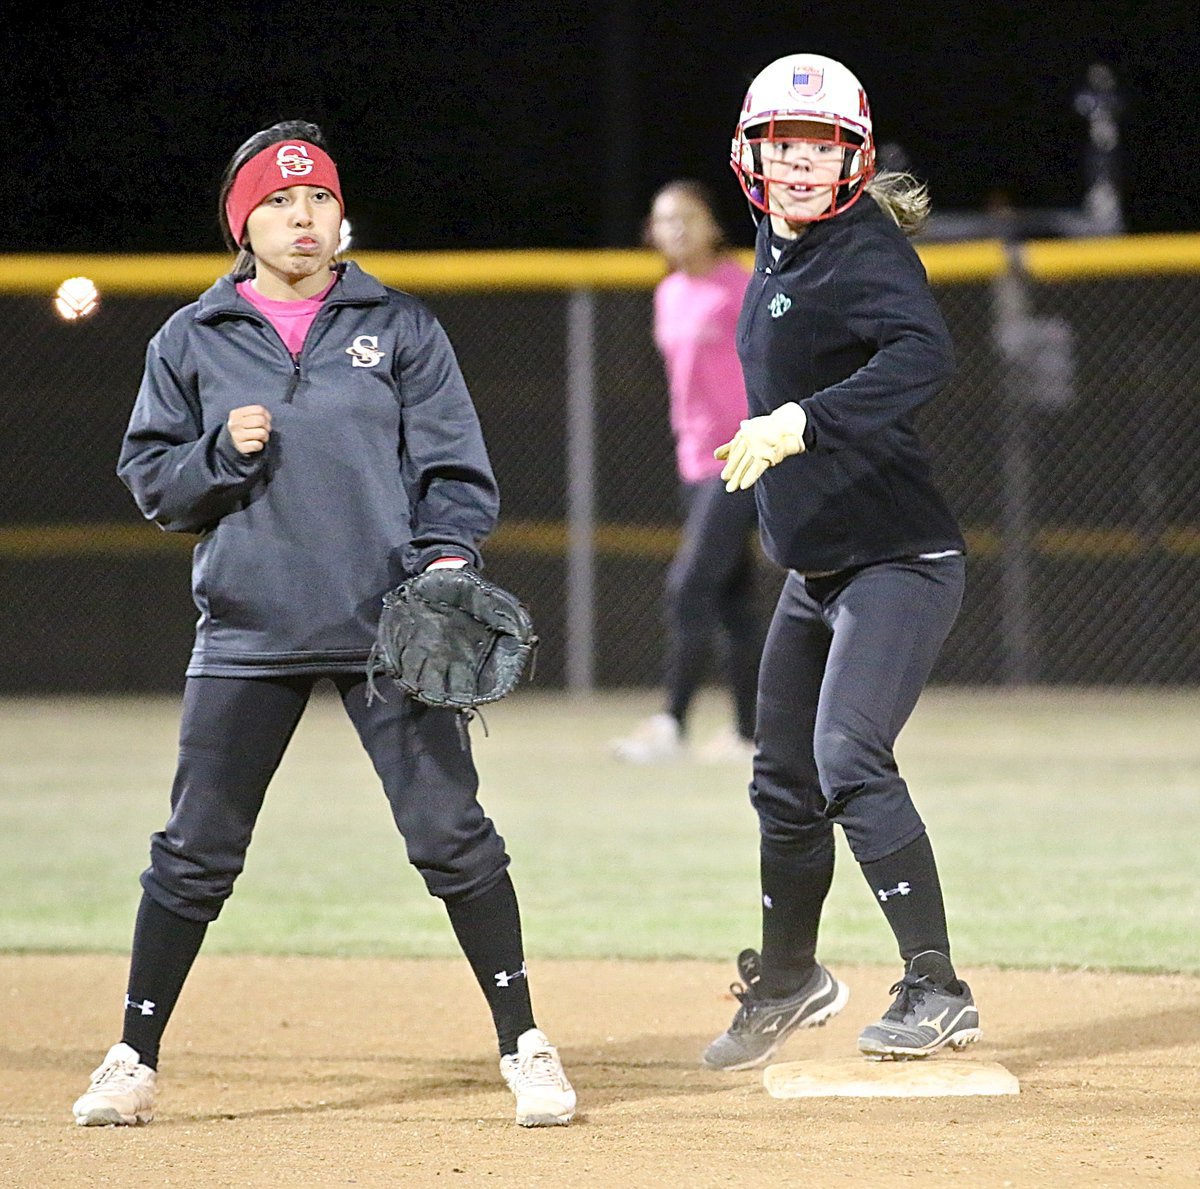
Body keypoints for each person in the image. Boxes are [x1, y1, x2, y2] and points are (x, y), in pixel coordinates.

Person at [71, 121, 575, 1128]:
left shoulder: (400, 325)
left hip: (388, 627)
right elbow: (155, 484)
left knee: (451, 836)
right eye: (277, 202)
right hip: (250, 627)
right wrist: (218, 451)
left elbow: (454, 475)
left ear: (342, 217)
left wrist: (444, 561)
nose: (302, 217)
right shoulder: (192, 338)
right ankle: (132, 1053)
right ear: (242, 223)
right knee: (195, 848)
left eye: (319, 201)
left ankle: (526, 1043)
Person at [701, 55, 981, 1069]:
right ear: (752, 154)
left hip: (901, 559)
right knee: (781, 779)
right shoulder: (781, 246)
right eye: (788, 144)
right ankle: (788, 981)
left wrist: (798, 422)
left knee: (847, 754)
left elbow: (924, 353)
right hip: (819, 577)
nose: (806, 164)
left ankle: (938, 987)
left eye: (824, 147)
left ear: (854, 158)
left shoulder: (858, 246)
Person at [610, 180, 762, 764]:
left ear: (712, 226)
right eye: (664, 220)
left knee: (688, 585)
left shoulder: (739, 287)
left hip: (740, 456)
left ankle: (672, 723)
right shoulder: (669, 291)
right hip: (693, 460)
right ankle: (751, 736)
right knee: (733, 601)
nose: (676, 230)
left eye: (687, 219)